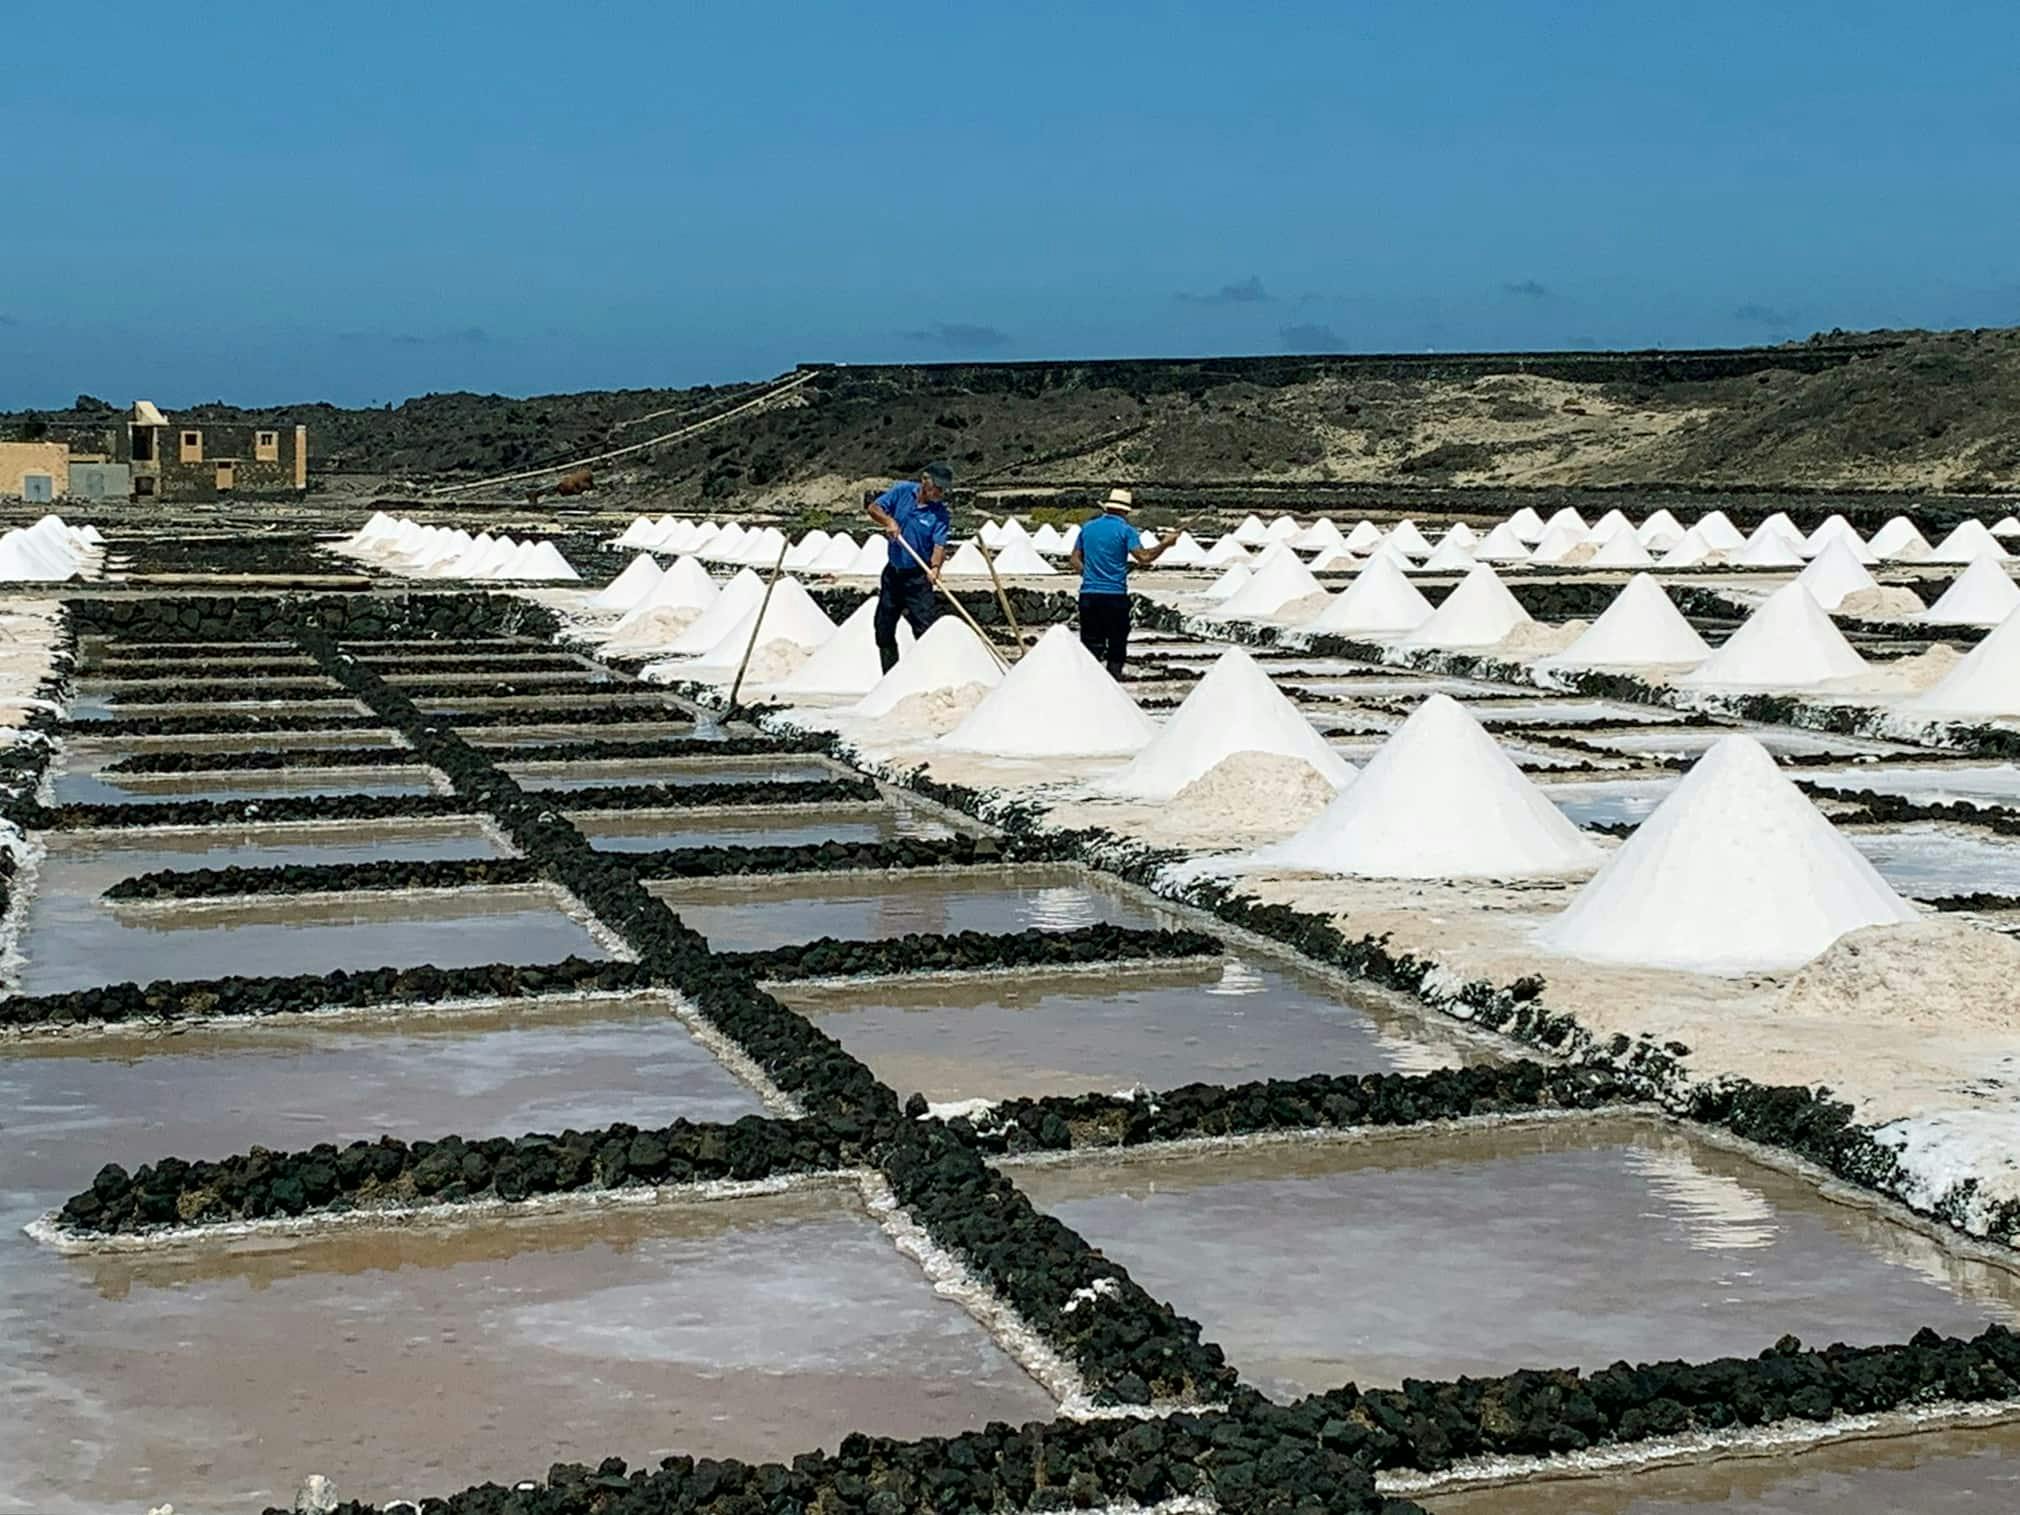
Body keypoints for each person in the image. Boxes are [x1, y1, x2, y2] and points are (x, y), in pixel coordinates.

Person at [1068, 487, 1174, 677]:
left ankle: (1088, 685)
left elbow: (1074, 559)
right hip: (1114, 597)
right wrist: (1165, 544)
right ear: (1125, 511)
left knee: (1091, 647)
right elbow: (1144, 557)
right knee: (1116, 647)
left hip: (1089, 595)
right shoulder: (1126, 530)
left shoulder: (1088, 528)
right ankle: (1112, 688)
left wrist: (1090, 574)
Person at [866, 462, 954, 672]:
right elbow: (873, 508)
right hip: (893, 575)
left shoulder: (940, 514)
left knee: (924, 629)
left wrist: (935, 568)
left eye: (943, 490)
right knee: (883, 627)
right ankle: (890, 677)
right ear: (926, 481)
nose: (940, 493)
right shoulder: (901, 492)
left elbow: (939, 545)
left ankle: (926, 676)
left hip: (918, 578)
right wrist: (889, 521)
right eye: (938, 488)